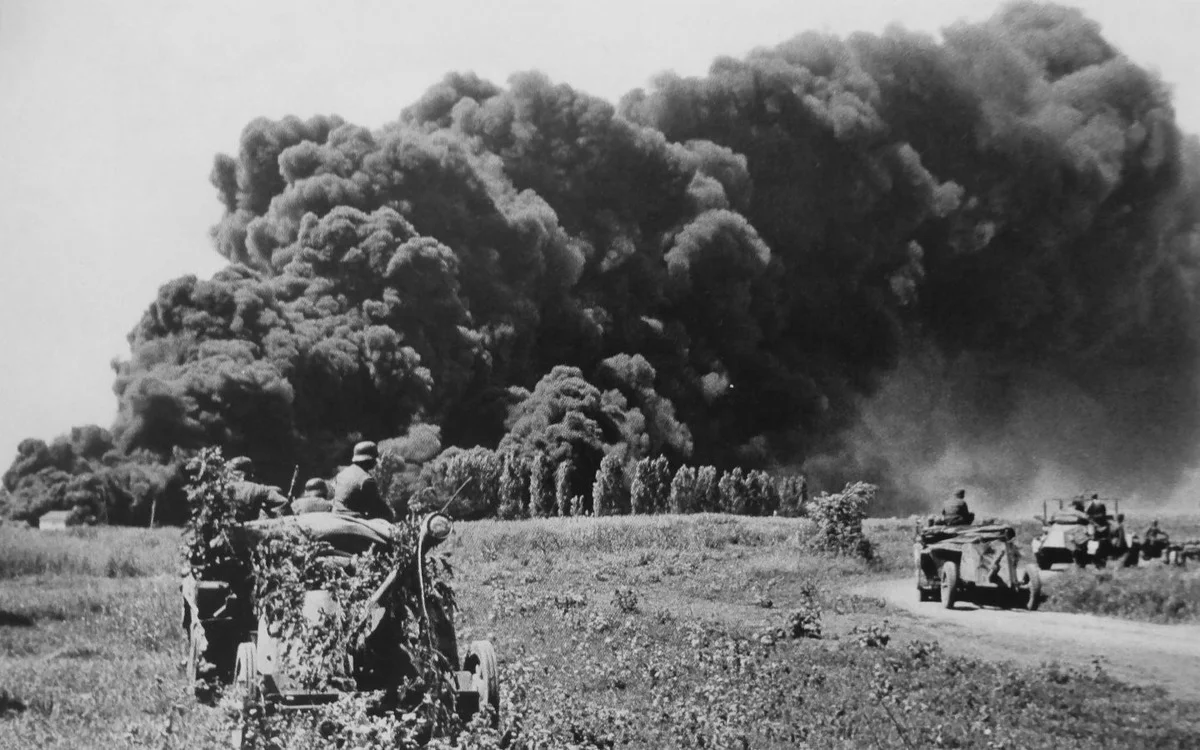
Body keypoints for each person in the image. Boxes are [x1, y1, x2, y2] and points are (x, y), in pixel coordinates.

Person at [331, 441, 393, 521]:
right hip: (352, 519)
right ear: (370, 460)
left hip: (335, 515)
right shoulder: (366, 480)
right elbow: (377, 508)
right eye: (374, 459)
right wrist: (390, 515)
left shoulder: (342, 474)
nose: (375, 462)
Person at [228, 456, 292, 521]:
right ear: (250, 474)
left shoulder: (223, 487)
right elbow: (283, 503)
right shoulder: (259, 489)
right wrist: (268, 516)